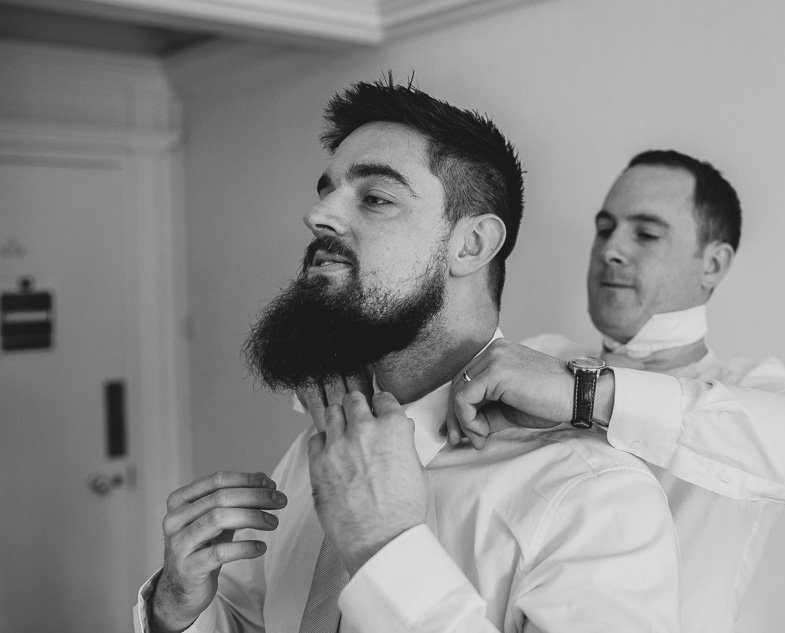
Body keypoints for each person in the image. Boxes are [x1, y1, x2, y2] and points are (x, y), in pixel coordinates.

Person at [132, 78, 680, 633]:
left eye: (375, 198)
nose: (318, 215)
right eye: (327, 191)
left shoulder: (593, 498)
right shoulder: (322, 445)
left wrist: (385, 547)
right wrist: (177, 611)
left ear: (470, 245)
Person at [444, 150, 785, 633]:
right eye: (605, 228)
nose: (611, 249)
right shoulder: (531, 359)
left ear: (713, 265)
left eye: (646, 233)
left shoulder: (751, 390)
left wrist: (586, 396)